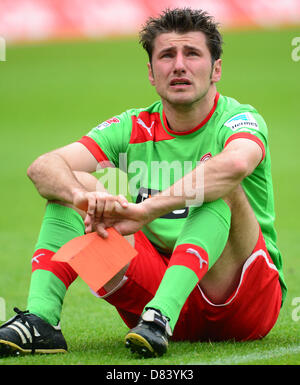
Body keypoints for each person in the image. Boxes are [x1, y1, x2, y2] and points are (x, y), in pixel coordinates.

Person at [0, 8, 286, 358]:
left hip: (242, 301)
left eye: (192, 53)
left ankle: (162, 313)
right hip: (154, 300)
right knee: (69, 183)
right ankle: (41, 321)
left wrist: (146, 210)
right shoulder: (135, 125)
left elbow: (237, 162)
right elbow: (43, 167)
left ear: (216, 70)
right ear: (152, 73)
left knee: (216, 186)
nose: (179, 65)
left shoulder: (238, 118)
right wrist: (84, 200)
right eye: (167, 55)